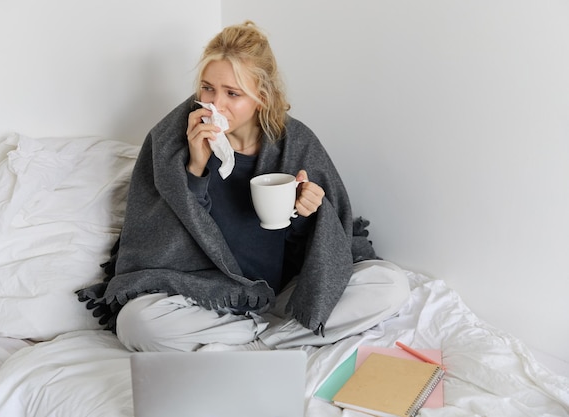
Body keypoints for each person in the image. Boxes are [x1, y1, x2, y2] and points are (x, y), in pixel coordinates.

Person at [78, 21, 410, 352]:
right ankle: (277, 337)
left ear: (262, 98)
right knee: (136, 323)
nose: (214, 104)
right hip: (204, 292)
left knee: (390, 284)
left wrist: (308, 212)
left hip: (279, 290)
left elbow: (325, 248)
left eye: (232, 93)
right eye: (207, 88)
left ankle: (253, 341)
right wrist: (194, 169)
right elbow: (157, 238)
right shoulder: (171, 141)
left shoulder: (296, 145)